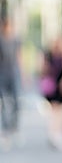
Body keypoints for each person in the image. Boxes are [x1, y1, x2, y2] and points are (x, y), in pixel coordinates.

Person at [40, 36, 62, 150]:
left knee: (59, 111)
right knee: (55, 110)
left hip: (60, 86)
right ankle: (54, 133)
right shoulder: (48, 56)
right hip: (52, 86)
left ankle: (57, 133)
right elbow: (43, 70)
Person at [0, 18, 21, 150]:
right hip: (2, 74)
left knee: (16, 102)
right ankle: (5, 129)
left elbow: (19, 56)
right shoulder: (0, 40)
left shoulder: (16, 40)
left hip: (13, 74)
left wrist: (23, 74)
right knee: (3, 103)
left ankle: (14, 127)